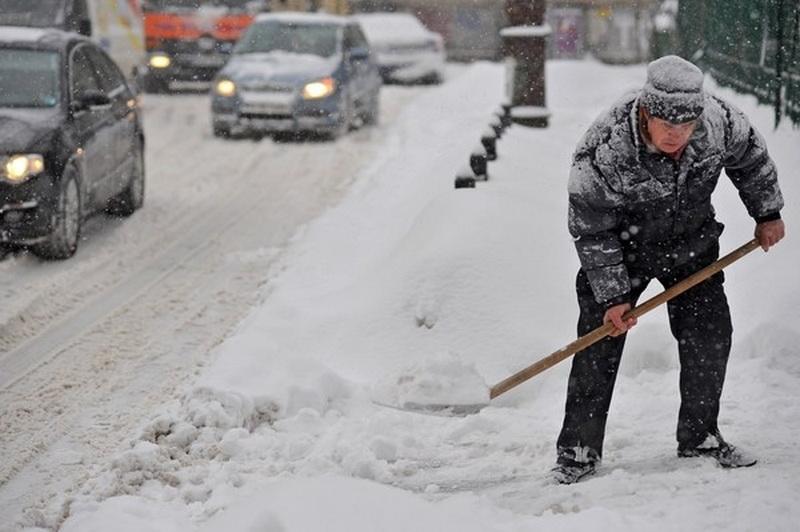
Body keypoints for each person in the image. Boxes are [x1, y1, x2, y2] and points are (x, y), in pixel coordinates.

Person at [553, 55, 786, 484]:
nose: (678, 136)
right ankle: (578, 451)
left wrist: (767, 211)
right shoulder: (607, 146)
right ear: (646, 111)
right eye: (667, 127)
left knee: (710, 333)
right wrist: (613, 296)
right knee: (598, 342)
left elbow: (751, 158)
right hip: (622, 249)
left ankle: (700, 436)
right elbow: (590, 226)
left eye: (687, 127)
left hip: (691, 245)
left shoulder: (717, 121)